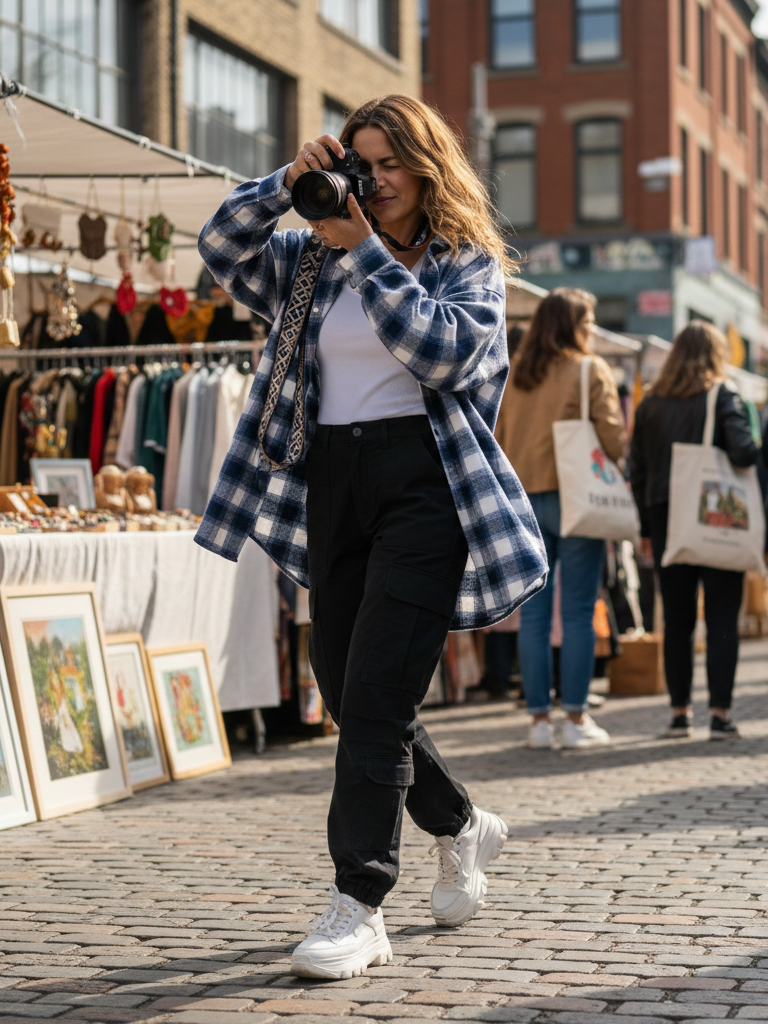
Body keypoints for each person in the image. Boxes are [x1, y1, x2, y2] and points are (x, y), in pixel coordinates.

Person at [194, 94, 548, 981]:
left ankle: (360, 902)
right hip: (334, 481)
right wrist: (288, 183)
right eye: (360, 161)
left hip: (428, 488)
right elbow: (220, 246)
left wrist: (367, 259)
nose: (374, 179)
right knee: (352, 693)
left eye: (390, 163)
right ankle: (463, 824)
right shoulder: (308, 254)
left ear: (428, 168)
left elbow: (439, 354)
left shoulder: (466, 266)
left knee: (380, 696)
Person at [495, 288, 626, 749]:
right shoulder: (589, 370)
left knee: (532, 614)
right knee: (576, 610)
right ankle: (574, 718)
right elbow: (614, 441)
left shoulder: (515, 375)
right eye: (588, 322)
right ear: (571, 325)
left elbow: (498, 438)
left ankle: (537, 722)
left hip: (524, 500)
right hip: (577, 498)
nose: (592, 330)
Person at [629, 321, 759, 740]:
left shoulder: (650, 403)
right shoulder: (722, 395)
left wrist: (647, 527)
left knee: (679, 620)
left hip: (667, 519)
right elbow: (742, 452)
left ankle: (679, 713)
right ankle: (720, 715)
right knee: (722, 615)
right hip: (715, 515)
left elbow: (638, 470)